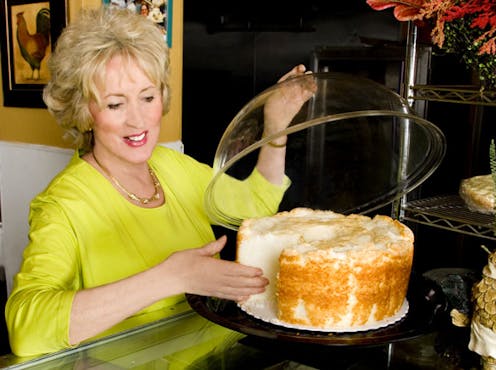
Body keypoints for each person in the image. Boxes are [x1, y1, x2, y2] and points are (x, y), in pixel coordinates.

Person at [5, 6, 315, 357]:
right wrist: (171, 277)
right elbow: (25, 329)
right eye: (114, 104)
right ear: (84, 111)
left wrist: (276, 125)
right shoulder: (63, 204)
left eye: (147, 98)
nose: (137, 120)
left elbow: (253, 205)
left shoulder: (172, 166)